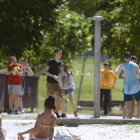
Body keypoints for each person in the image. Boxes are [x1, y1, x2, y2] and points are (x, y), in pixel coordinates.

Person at [116, 52, 140, 119]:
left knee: (128, 103)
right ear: (131, 57)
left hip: (127, 86)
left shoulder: (122, 65)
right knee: (138, 100)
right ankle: (138, 114)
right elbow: (139, 75)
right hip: (136, 85)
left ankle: (129, 118)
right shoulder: (136, 65)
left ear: (124, 58)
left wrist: (117, 68)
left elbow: (116, 74)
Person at [44, 48, 65, 118]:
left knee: (60, 96)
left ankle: (56, 112)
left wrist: (60, 81)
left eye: (61, 54)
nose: (60, 55)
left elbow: (57, 73)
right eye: (59, 53)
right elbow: (45, 71)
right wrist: (53, 76)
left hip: (57, 82)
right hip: (50, 82)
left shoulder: (59, 63)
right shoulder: (51, 62)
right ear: (55, 54)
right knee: (50, 98)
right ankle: (47, 112)